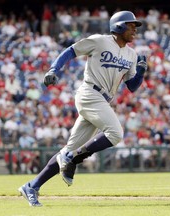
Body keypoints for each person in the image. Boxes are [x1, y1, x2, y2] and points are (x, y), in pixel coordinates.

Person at [18, 11, 147, 207]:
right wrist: (54, 69)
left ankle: (32, 186)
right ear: (118, 26)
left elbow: (132, 86)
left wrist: (142, 71)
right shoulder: (99, 41)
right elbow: (71, 50)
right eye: (131, 26)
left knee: (68, 149)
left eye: (135, 27)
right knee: (115, 133)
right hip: (89, 93)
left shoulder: (131, 54)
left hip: (103, 100)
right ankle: (72, 158)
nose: (134, 30)